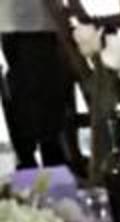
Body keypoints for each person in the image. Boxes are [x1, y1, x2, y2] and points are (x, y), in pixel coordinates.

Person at [0, 0, 79, 174]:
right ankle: (46, 163)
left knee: (32, 94)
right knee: (41, 96)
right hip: (32, 25)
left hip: (23, 23)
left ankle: (38, 161)